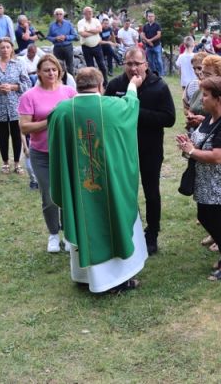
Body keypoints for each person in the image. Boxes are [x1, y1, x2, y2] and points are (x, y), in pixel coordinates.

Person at [49, 67, 146, 293]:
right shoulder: (113, 107)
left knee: (84, 218)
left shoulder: (62, 111)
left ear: (76, 86)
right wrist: (133, 85)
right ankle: (114, 279)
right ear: (101, 86)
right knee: (111, 220)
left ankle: (84, 277)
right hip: (108, 185)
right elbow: (131, 105)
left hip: (78, 184)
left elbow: (56, 148)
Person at [105, 48, 176, 255]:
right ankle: (128, 231)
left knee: (151, 193)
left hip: (150, 149)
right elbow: (105, 113)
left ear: (146, 64)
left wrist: (134, 111)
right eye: (129, 63)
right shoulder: (115, 85)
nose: (133, 68)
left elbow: (169, 119)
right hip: (121, 149)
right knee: (124, 193)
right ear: (123, 64)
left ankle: (152, 234)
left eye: (137, 63)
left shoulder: (159, 86)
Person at [176, 77, 221, 280]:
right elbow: (201, 142)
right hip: (208, 182)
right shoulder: (210, 116)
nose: (201, 99)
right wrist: (188, 143)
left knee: (216, 221)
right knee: (208, 218)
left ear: (219, 98)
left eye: (205, 95)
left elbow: (217, 156)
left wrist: (191, 151)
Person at [18, 55, 77, 252]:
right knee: (49, 196)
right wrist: (50, 120)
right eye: (46, 70)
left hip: (67, 152)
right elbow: (24, 127)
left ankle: (69, 235)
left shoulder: (69, 92)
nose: (51, 73)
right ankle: (53, 234)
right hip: (41, 155)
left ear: (60, 71)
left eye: (54, 69)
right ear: (39, 73)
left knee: (68, 194)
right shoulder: (29, 96)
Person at [0, 37, 31, 174]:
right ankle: (5, 163)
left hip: (16, 105)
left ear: (12, 49)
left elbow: (27, 83)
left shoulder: (18, 64)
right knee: (3, 136)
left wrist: (13, 87)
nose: (5, 50)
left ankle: (17, 163)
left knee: (17, 135)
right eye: (2, 47)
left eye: (7, 47)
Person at [186, 54, 221, 130]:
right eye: (203, 73)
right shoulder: (200, 90)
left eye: (208, 74)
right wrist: (190, 115)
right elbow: (190, 108)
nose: (203, 76)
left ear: (219, 75)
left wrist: (203, 120)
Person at [77, 6, 107, 84]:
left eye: (91, 11)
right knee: (90, 67)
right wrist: (94, 32)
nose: (90, 13)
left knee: (102, 65)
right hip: (86, 48)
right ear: (84, 13)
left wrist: (88, 30)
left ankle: (105, 82)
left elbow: (100, 30)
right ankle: (93, 83)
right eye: (88, 12)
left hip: (97, 46)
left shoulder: (96, 21)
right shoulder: (80, 22)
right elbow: (83, 34)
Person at [46, 8, 77, 75]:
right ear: (54, 15)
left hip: (68, 47)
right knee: (58, 66)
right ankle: (60, 83)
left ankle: (71, 83)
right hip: (57, 48)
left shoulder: (68, 24)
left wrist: (65, 37)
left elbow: (74, 35)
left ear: (63, 15)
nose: (59, 15)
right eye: (57, 14)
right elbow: (48, 37)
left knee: (70, 67)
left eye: (60, 14)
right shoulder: (52, 25)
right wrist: (55, 38)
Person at [141, 11, 164, 76]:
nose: (150, 18)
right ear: (147, 17)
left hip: (156, 45)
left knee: (159, 60)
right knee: (150, 62)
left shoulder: (157, 25)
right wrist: (148, 41)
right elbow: (142, 35)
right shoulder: (145, 26)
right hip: (148, 47)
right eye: (149, 16)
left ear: (154, 17)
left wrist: (150, 40)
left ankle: (161, 74)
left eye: (152, 16)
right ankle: (154, 74)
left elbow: (159, 35)